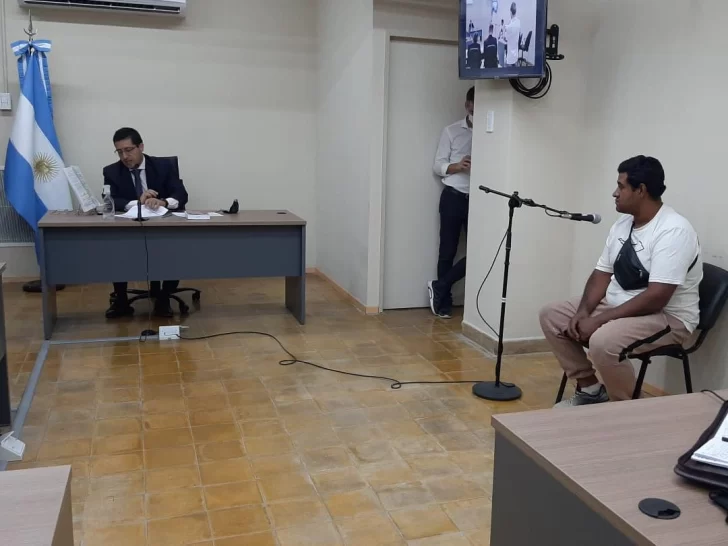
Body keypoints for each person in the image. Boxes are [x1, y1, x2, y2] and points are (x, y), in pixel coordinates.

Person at [540, 156, 702, 408]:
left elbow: (657, 297)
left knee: (603, 342)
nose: (615, 193)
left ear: (641, 190)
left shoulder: (674, 230)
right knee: (552, 315)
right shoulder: (624, 223)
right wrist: (583, 312)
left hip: (668, 317)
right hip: (621, 305)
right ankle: (591, 390)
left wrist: (599, 320)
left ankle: (626, 410)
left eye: (621, 186)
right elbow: (601, 274)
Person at [103, 127, 189, 319]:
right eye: (119, 152)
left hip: (163, 227)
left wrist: (163, 202)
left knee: (174, 250)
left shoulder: (163, 166)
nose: (125, 156)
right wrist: (138, 202)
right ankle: (121, 301)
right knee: (116, 249)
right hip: (130, 229)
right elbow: (111, 200)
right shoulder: (112, 171)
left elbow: (181, 195)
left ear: (141, 147)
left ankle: (163, 298)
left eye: (129, 150)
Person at [428, 87, 474, 319]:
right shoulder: (452, 131)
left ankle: (440, 285)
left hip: (479, 201)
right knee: (447, 251)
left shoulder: (493, 132)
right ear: (468, 105)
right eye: (475, 105)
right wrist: (458, 166)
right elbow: (438, 166)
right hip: (453, 196)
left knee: (478, 250)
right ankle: (443, 302)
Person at [505, 2, 521, 67]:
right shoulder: (518, 22)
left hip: (510, 55)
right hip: (515, 53)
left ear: (511, 12)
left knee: (509, 69)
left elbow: (506, 38)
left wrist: (506, 28)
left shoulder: (510, 26)